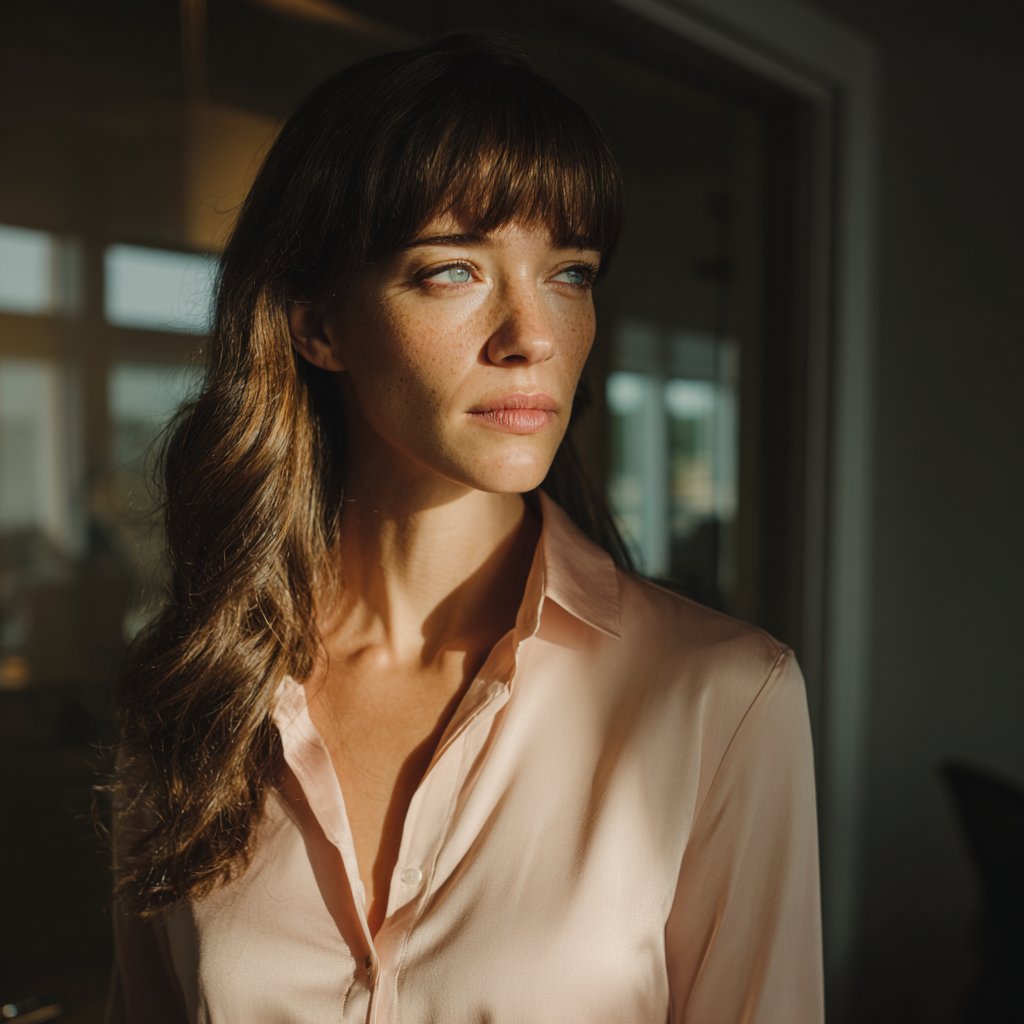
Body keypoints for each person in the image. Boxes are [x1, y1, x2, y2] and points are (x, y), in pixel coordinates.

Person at [106, 33, 824, 1023]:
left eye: (569, 273)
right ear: (317, 323)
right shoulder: (194, 692)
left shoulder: (724, 696)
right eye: (453, 271)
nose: (531, 335)